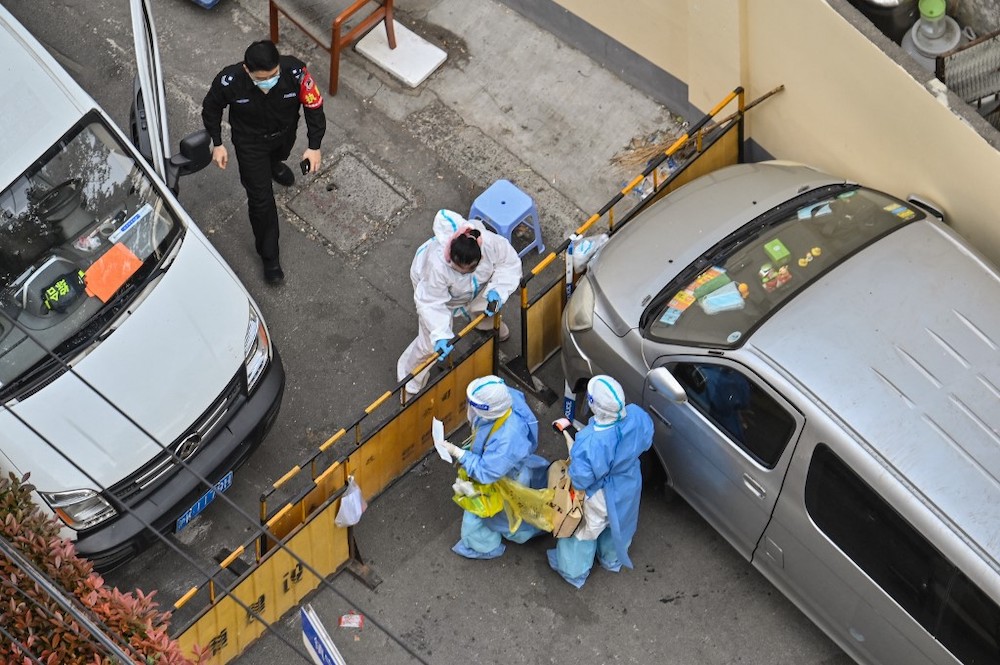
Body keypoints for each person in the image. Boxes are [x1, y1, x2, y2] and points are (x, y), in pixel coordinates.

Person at [201, 40, 326, 285]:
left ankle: (275, 166)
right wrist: (217, 143)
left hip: (283, 135)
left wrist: (314, 146)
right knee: (261, 202)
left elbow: (314, 107)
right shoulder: (230, 81)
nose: (270, 81)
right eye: (262, 78)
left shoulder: (296, 73)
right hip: (250, 144)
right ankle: (270, 258)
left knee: (279, 157)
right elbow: (211, 108)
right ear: (247, 70)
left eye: (274, 75)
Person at [396, 209, 521, 397]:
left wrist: (498, 290)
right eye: (458, 270)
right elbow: (431, 302)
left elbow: (509, 262)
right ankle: (410, 379)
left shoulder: (490, 243)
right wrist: (439, 334)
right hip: (432, 291)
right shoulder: (436, 266)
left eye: (469, 270)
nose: (463, 273)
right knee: (429, 342)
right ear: (450, 255)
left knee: (486, 304)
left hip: (477, 286)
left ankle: (486, 324)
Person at [547, 375, 653, 588]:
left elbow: (580, 478)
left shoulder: (591, 441)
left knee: (586, 530)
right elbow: (646, 441)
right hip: (628, 483)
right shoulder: (638, 416)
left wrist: (575, 451)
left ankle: (574, 570)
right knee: (619, 521)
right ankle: (610, 558)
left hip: (600, 495)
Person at [441, 376, 549, 559]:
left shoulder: (506, 440)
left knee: (492, 517)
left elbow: (486, 472)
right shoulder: (507, 399)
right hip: (513, 470)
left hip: (504, 479)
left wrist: (460, 454)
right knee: (513, 513)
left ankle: (486, 547)